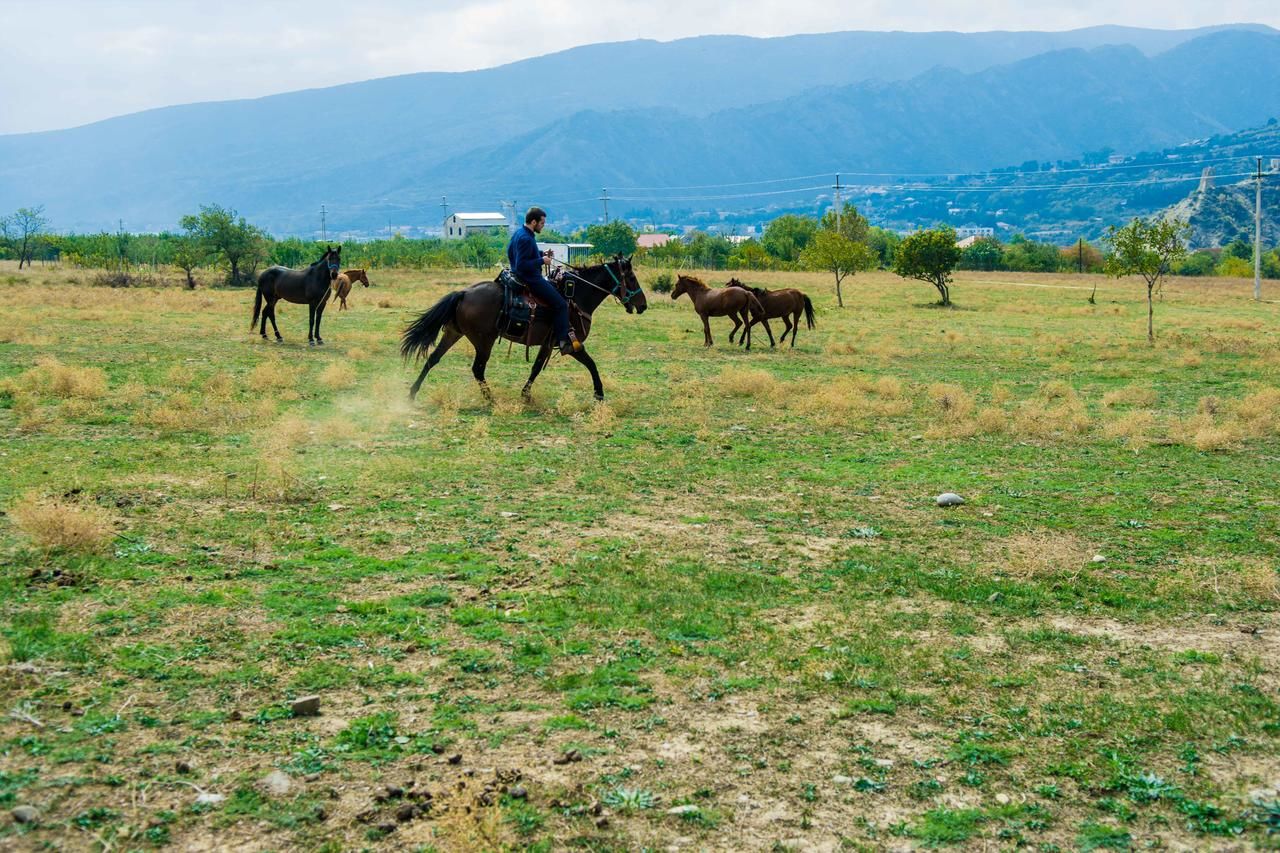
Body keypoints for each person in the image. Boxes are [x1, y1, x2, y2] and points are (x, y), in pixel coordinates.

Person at [507, 207, 579, 355]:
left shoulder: (520, 233)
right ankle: (562, 341)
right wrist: (542, 260)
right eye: (542, 223)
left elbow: (521, 254)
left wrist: (541, 254)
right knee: (560, 304)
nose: (543, 226)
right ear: (534, 222)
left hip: (524, 275)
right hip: (530, 278)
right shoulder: (526, 238)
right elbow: (521, 264)